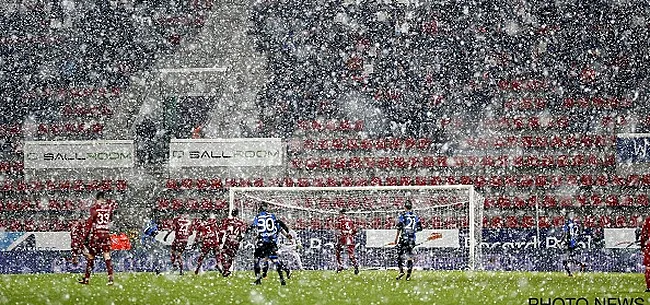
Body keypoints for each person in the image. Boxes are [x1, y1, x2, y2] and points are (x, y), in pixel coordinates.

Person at [79, 192, 116, 285]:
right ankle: (110, 277)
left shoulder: (94, 208)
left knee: (91, 256)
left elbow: (91, 222)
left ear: (96, 199)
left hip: (97, 234)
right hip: (106, 233)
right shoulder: (108, 208)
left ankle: (86, 279)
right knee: (107, 255)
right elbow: (110, 218)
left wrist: (84, 237)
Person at [252, 202, 292, 285]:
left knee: (259, 259)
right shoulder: (273, 218)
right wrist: (287, 234)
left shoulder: (259, 217)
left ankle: (260, 278)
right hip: (272, 243)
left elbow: (256, 227)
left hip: (265, 242)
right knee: (273, 260)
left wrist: (256, 235)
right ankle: (282, 277)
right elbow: (280, 227)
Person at [393, 200, 422, 281]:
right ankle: (408, 276)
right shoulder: (415, 216)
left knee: (399, 255)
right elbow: (420, 228)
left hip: (404, 238)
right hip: (411, 239)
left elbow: (399, 226)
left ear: (404, 207)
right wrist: (412, 231)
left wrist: (396, 238)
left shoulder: (403, 215)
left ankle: (401, 271)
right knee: (410, 256)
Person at [218, 208, 249, 277]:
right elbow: (242, 234)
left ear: (231, 213)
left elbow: (222, 232)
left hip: (228, 240)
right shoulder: (241, 222)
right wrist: (238, 240)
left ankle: (223, 267)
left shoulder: (227, 221)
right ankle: (227, 269)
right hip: (235, 241)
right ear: (237, 214)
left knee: (222, 253)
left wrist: (220, 241)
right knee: (231, 256)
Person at [335, 208, 359, 274]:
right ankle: (355, 264)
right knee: (350, 253)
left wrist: (338, 236)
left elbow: (338, 230)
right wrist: (351, 234)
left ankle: (340, 265)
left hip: (342, 237)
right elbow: (355, 230)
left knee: (338, 250)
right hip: (349, 237)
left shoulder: (339, 220)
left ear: (341, 213)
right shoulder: (350, 220)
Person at [562, 212, 586, 276]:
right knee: (570, 259)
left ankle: (571, 272)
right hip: (573, 243)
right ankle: (581, 265)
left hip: (570, 243)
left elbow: (565, 234)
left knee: (566, 260)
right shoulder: (574, 224)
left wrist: (562, 241)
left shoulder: (568, 225)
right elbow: (578, 233)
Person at [640, 217, 650, 291]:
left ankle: (649, 286)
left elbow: (644, 234)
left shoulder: (648, 220)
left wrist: (642, 245)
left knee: (649, 268)